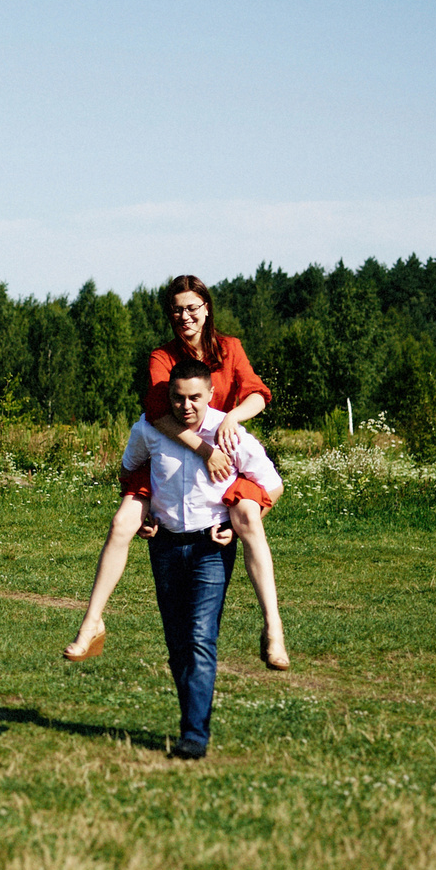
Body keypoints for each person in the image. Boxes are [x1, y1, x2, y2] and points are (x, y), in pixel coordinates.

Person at [62, 274, 290, 669]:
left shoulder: (230, 349)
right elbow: (160, 415)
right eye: (177, 309)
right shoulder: (162, 356)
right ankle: (91, 622)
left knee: (249, 516)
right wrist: (204, 450)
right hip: (170, 455)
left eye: (192, 307)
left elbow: (257, 394)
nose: (184, 316)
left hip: (224, 453)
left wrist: (230, 421)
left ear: (206, 308)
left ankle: (273, 629)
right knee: (121, 523)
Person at [123, 358, 283, 760]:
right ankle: (191, 720)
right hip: (165, 546)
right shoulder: (149, 430)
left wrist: (245, 522)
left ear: (211, 394)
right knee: (177, 643)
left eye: (196, 397)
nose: (187, 406)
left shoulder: (230, 435)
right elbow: (130, 473)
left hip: (211, 547)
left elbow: (272, 484)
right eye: (178, 398)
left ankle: (195, 734)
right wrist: (142, 516)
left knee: (200, 637)